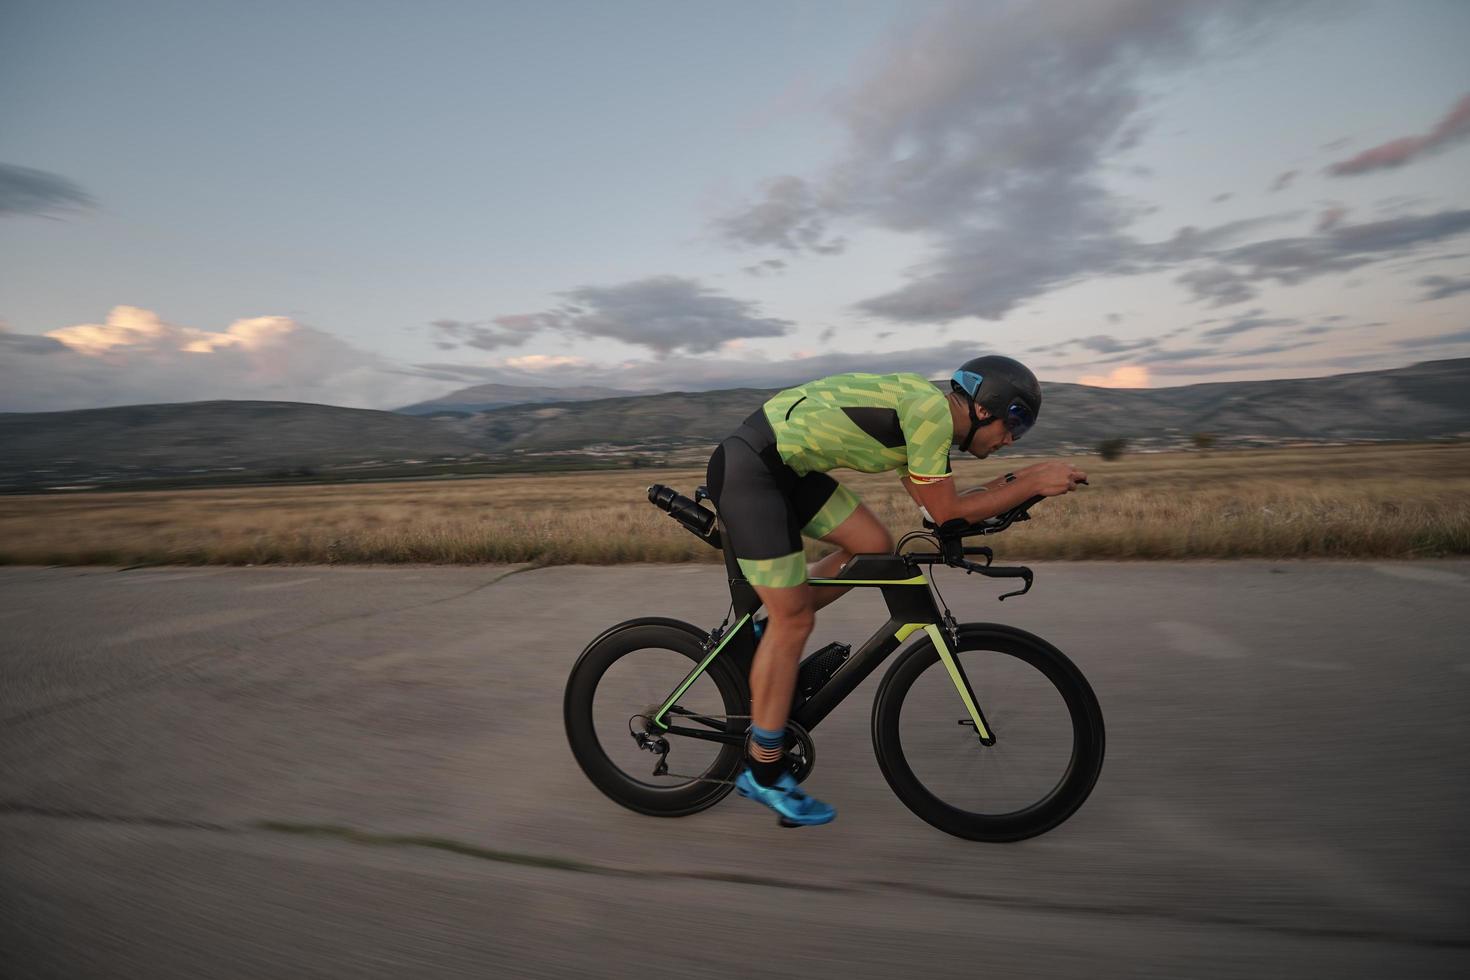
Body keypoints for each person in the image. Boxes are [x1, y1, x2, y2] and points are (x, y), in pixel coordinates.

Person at [704, 355, 1087, 826]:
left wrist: (1025, 483)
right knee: (797, 619)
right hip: (752, 469)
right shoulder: (929, 414)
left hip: (783, 471)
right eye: (1016, 424)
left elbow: (942, 509)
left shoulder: (928, 422)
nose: (1011, 439)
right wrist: (1030, 480)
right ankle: (763, 771)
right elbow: (948, 514)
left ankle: (768, 634)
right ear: (985, 409)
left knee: (872, 546)